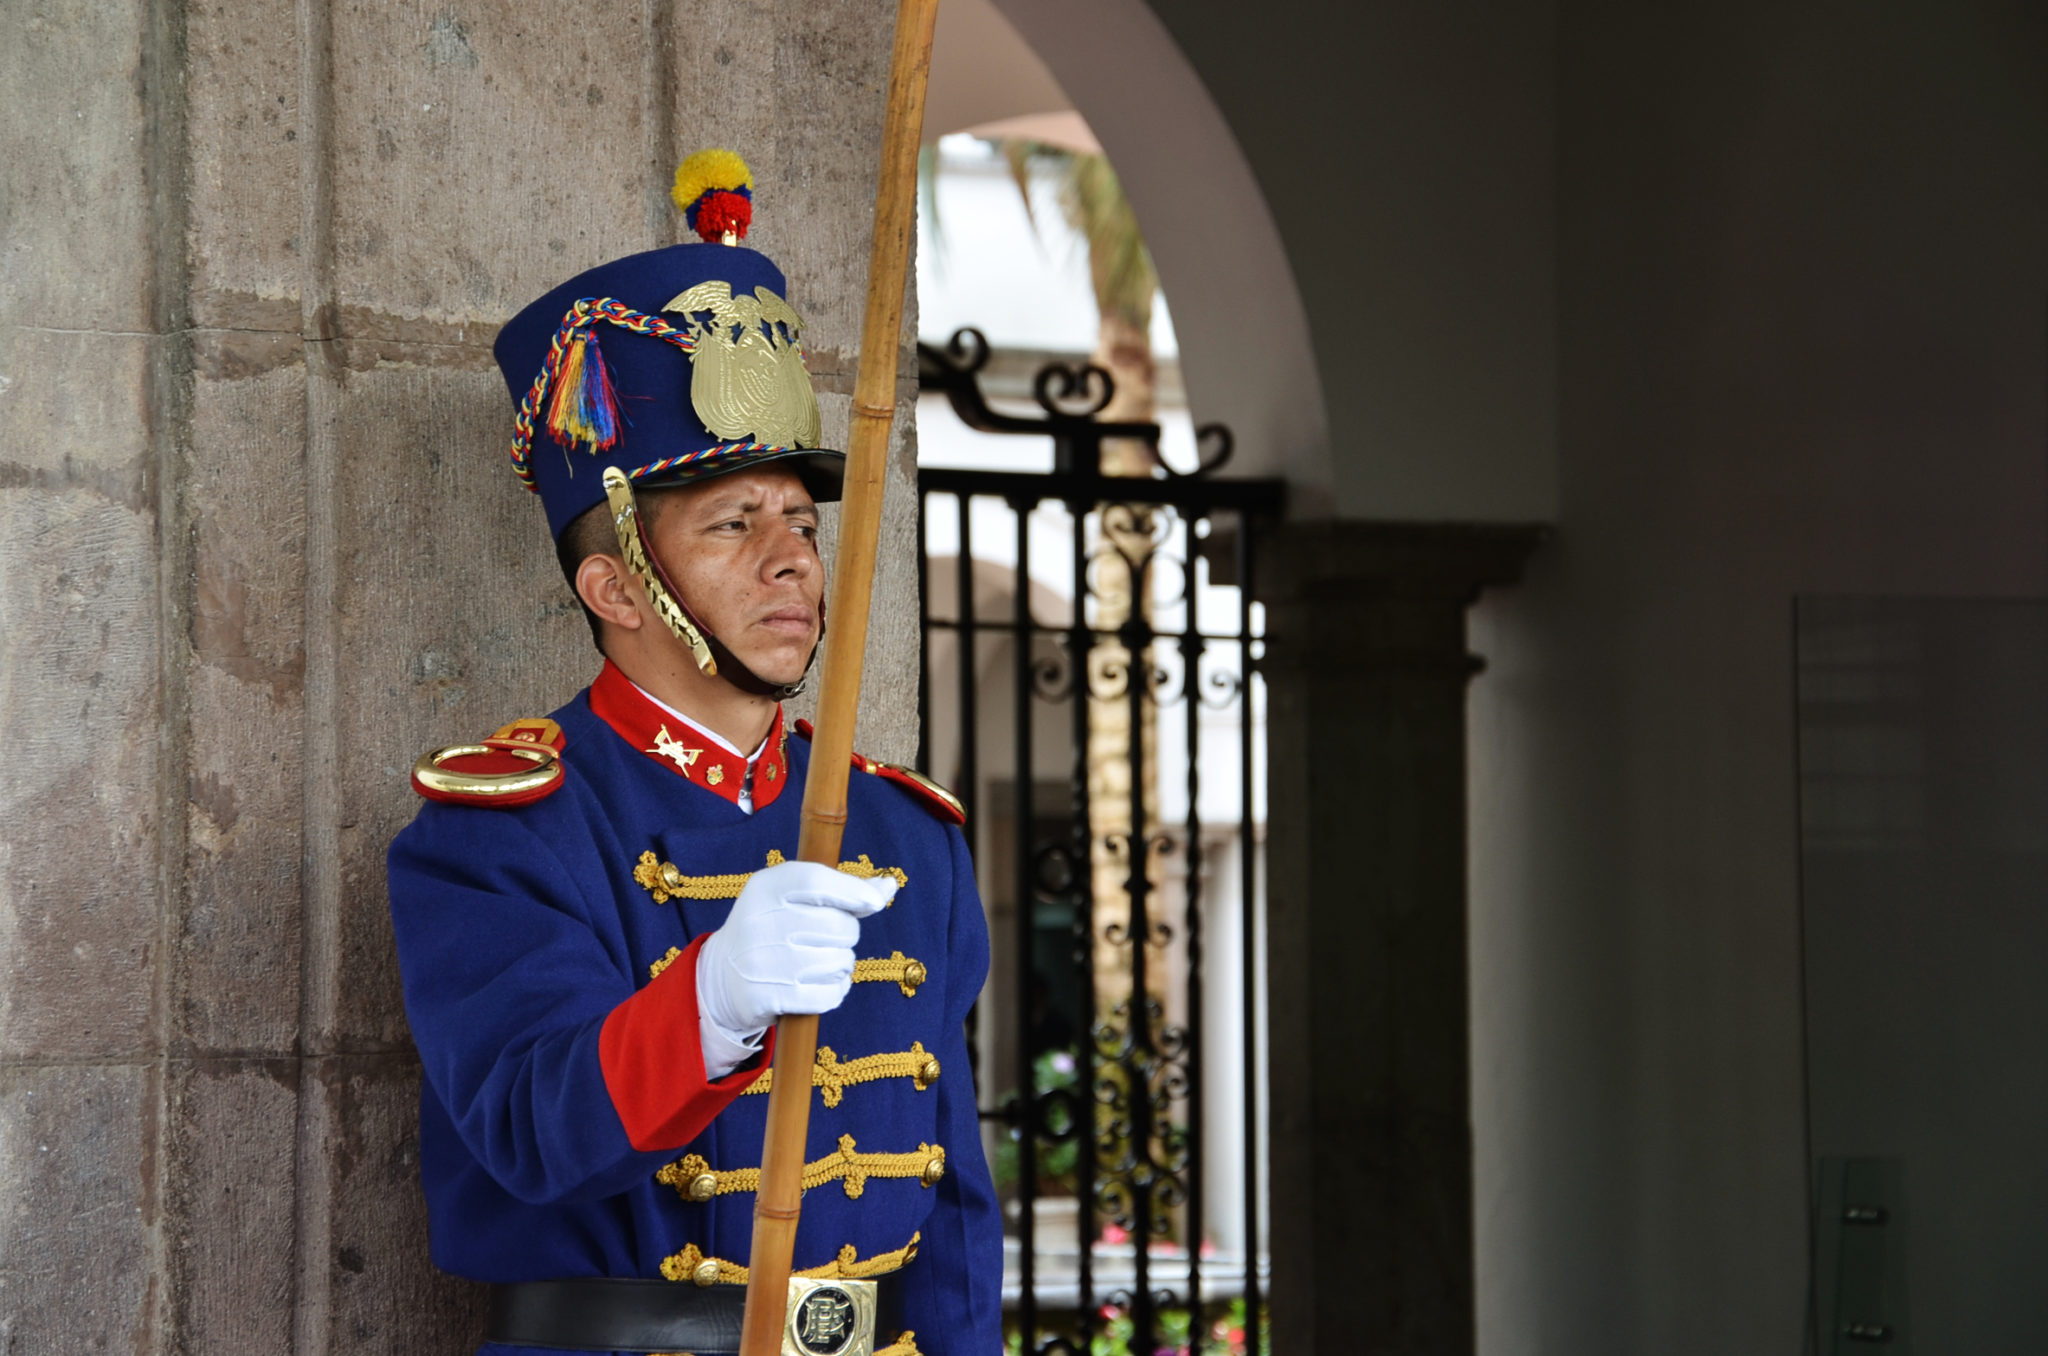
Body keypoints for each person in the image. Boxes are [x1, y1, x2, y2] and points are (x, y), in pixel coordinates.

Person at [386, 150, 1000, 1356]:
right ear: (614, 585)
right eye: (732, 522)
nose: (790, 560)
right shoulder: (497, 832)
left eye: (801, 522)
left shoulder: (906, 835)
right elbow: (532, 1132)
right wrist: (713, 1000)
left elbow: (954, 1212)